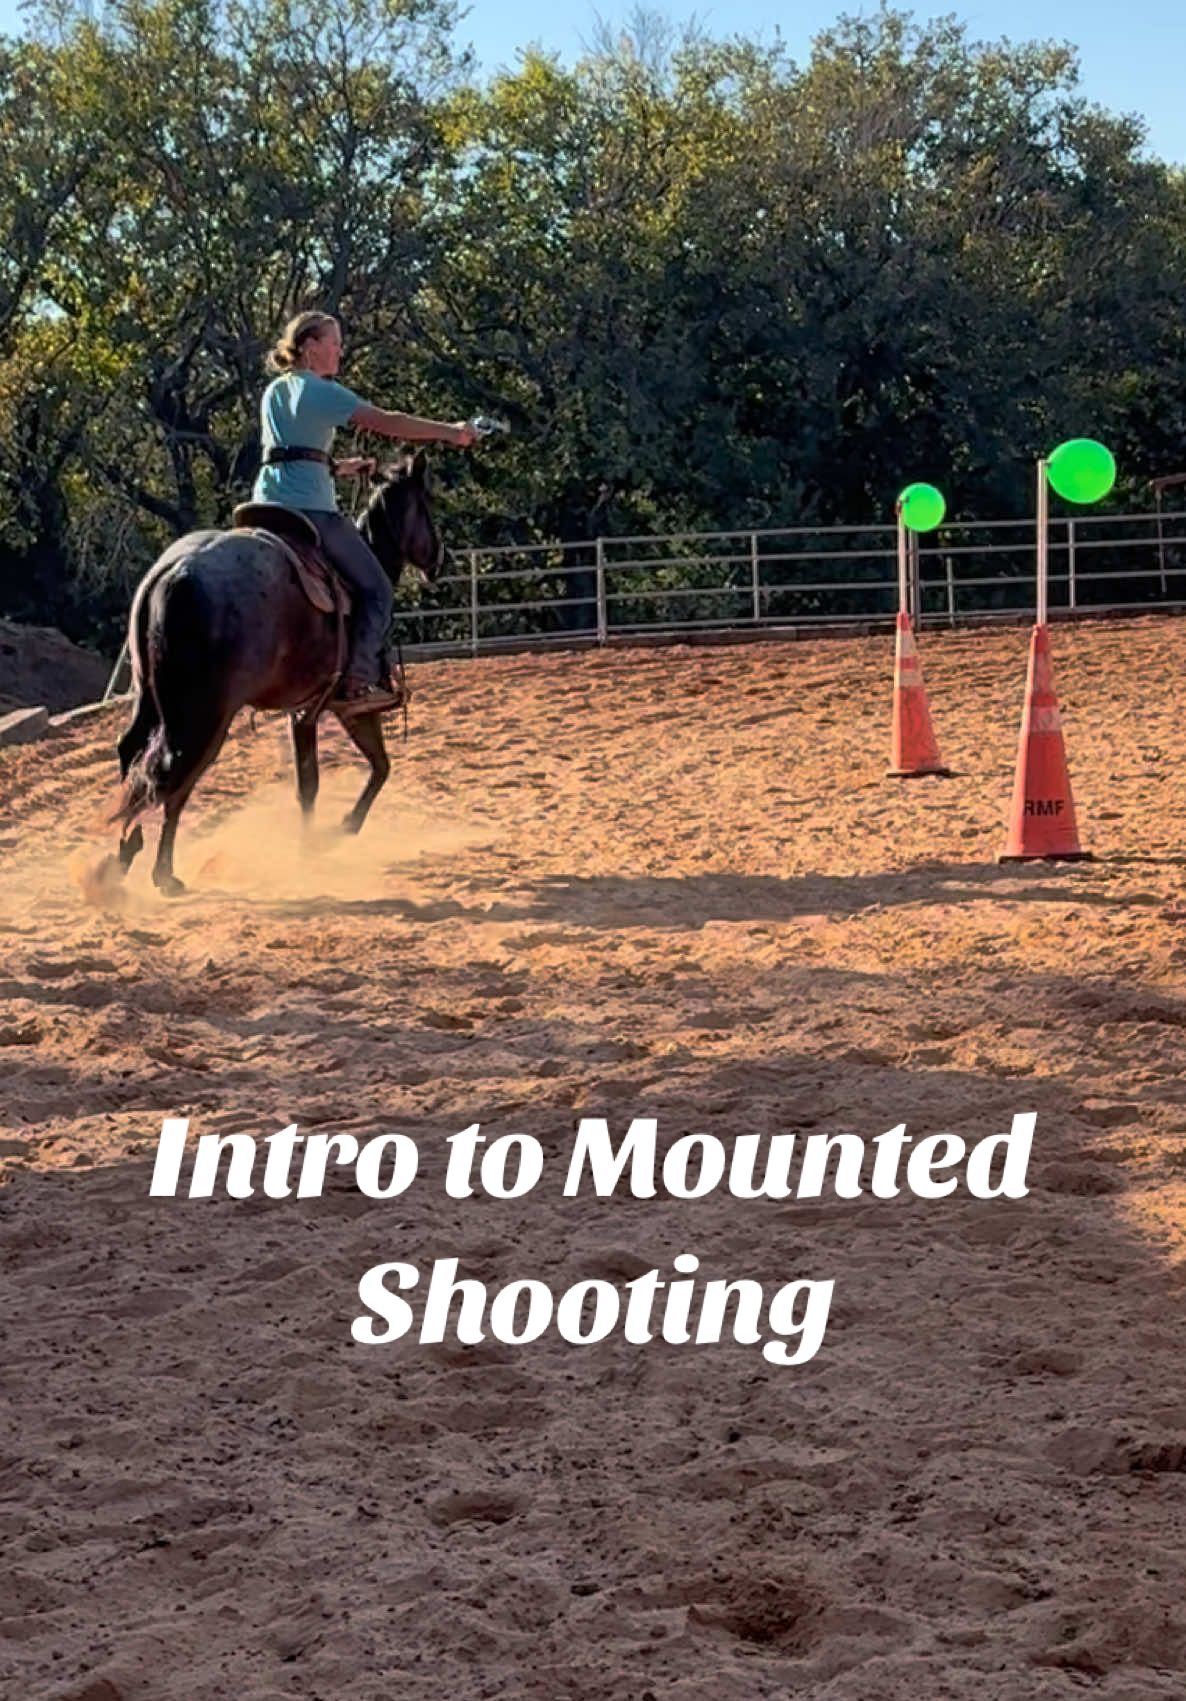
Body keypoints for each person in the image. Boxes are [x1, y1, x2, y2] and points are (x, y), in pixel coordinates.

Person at [253, 310, 475, 715]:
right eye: (334, 342)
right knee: (377, 590)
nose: (340, 350)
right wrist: (451, 431)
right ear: (310, 347)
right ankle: (358, 681)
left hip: (263, 506)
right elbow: (388, 422)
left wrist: (338, 467)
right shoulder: (321, 391)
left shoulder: (274, 391)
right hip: (310, 510)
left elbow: (288, 452)